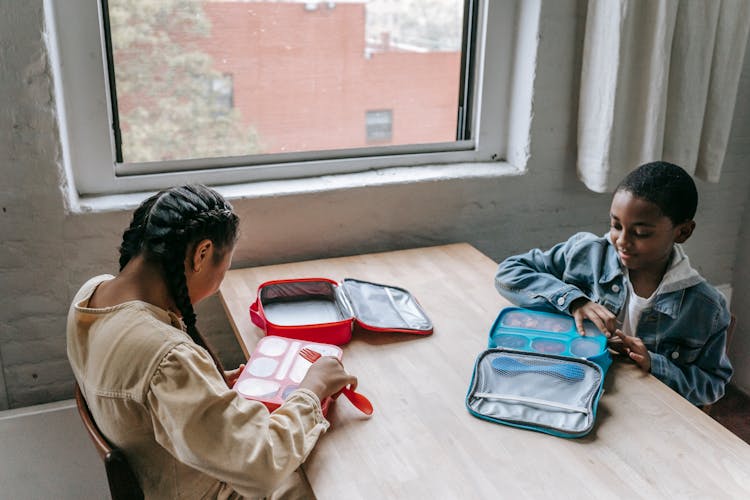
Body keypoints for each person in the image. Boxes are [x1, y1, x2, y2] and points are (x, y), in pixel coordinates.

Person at [67, 184, 357, 499]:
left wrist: (202, 388)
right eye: (223, 270)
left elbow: (141, 395)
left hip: (172, 468)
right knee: (335, 471)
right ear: (202, 254)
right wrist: (312, 390)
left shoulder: (91, 295)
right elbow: (261, 465)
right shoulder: (168, 358)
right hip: (210, 488)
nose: (219, 283)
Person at [494, 161, 733, 407]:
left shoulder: (706, 308)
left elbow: (712, 385)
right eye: (616, 225)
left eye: (641, 233)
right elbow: (509, 272)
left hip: (643, 412)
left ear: (682, 232)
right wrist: (574, 300)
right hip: (570, 385)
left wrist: (654, 364)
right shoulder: (586, 253)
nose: (622, 241)